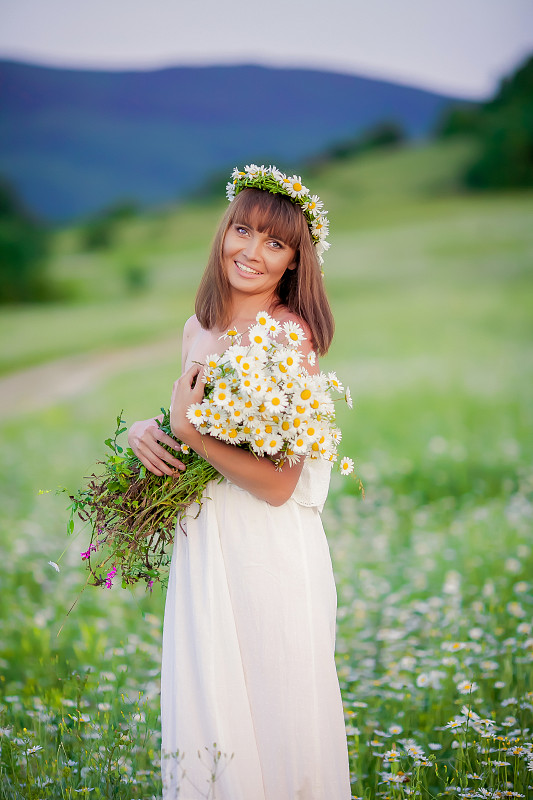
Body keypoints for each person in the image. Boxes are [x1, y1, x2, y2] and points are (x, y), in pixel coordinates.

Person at [128, 165, 351, 799]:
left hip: (266, 547)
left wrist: (192, 434)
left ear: (294, 262)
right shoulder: (196, 331)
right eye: (242, 230)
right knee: (212, 704)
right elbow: (194, 426)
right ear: (223, 231)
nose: (251, 252)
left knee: (276, 717)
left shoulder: (288, 338)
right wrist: (145, 430)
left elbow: (281, 485)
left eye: (274, 243)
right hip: (206, 541)